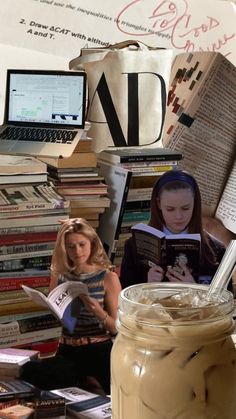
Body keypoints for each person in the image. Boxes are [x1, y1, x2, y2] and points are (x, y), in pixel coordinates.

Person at [21, 218, 121, 394]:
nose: (78, 251)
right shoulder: (60, 276)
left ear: (92, 242)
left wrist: (97, 311)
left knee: (111, 396)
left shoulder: (108, 278)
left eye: (82, 244)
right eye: (71, 246)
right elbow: (61, 318)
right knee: (30, 375)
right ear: (64, 249)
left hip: (98, 350)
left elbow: (116, 329)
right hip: (67, 349)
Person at [120, 170, 228, 289]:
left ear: (195, 203)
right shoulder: (134, 246)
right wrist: (147, 286)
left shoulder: (216, 250)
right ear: (158, 203)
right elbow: (124, 297)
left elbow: (227, 301)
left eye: (185, 208)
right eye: (170, 209)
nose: (178, 216)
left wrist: (195, 289)